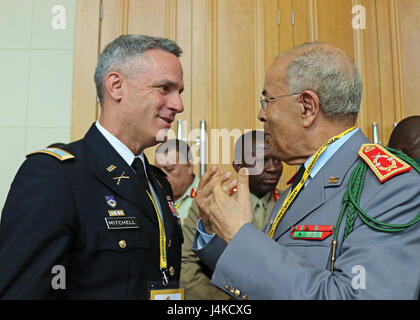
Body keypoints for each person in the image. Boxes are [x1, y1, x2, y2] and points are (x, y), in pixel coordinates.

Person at [192, 42, 420, 299]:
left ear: (307, 107)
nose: (261, 114)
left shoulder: (394, 187)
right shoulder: (302, 182)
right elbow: (272, 277)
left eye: (268, 100)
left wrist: (241, 236)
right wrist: (218, 228)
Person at [0, 34, 185, 299]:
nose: (178, 105)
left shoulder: (157, 181)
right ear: (116, 85)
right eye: (164, 89)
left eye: (179, 92)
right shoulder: (55, 175)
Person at [180, 130, 283, 299]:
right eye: (260, 161)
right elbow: (186, 264)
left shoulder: (289, 204)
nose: (272, 168)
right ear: (238, 166)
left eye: (277, 159)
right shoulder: (212, 204)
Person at [155, 139, 199, 225]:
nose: (162, 176)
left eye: (169, 169)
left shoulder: (205, 197)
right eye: (158, 170)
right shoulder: (154, 195)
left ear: (189, 167)